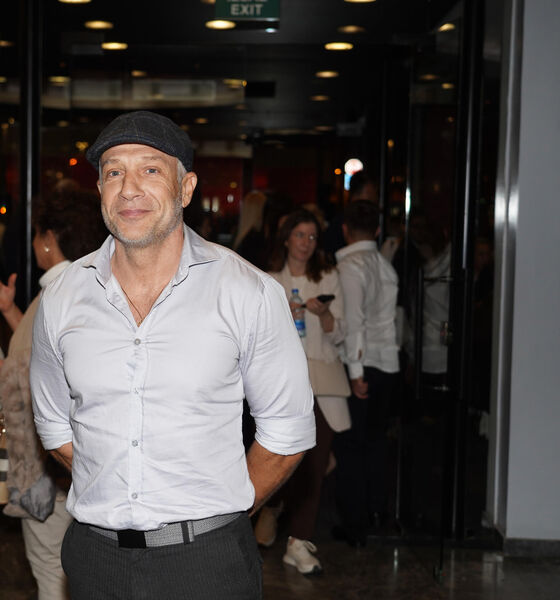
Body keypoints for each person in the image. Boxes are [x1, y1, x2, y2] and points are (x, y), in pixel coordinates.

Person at [29, 110, 315, 600]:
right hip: (96, 561)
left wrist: (216, 514)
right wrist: (116, 485)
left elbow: (287, 432)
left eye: (150, 170)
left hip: (208, 565)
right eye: (114, 172)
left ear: (186, 189)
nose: (129, 189)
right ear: (99, 189)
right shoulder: (61, 297)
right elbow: (54, 425)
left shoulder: (247, 292)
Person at [0, 184, 107, 600]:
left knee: (51, 570)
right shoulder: (84, 288)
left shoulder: (58, 294)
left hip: (53, 468)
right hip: (76, 466)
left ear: (48, 240)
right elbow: (46, 354)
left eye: (36, 234)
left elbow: (37, 374)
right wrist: (10, 311)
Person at [261, 209, 351, 575]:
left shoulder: (328, 277)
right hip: (283, 382)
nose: (306, 243)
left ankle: (297, 541)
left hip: (323, 381)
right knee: (288, 460)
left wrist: (323, 315)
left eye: (312, 237)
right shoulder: (269, 281)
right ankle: (275, 505)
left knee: (316, 462)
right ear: (286, 238)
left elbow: (341, 332)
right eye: (300, 235)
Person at [333, 200, 399, 547]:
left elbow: (354, 323)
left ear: (345, 229)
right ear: (376, 230)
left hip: (363, 363)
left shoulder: (351, 266)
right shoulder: (384, 265)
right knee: (374, 443)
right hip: (387, 362)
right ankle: (376, 512)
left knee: (352, 446)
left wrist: (356, 372)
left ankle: (356, 524)